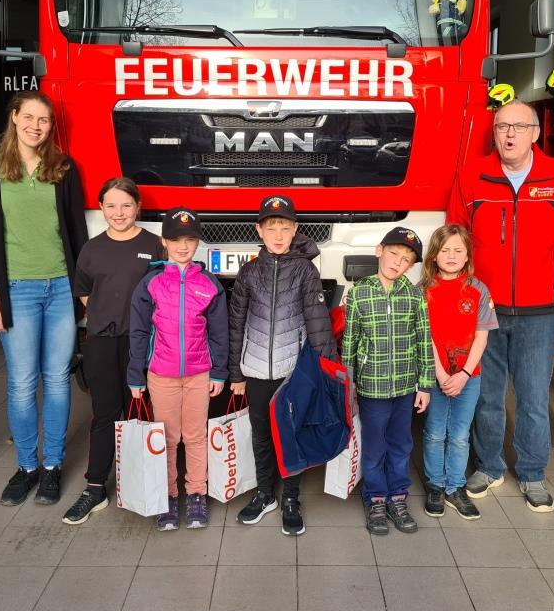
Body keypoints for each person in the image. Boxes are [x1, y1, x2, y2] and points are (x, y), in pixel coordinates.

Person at [448, 99, 554, 512]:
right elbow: (456, 234)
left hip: (539, 309)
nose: (509, 134)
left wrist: (546, 274)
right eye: (502, 126)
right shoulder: (472, 175)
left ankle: (533, 472)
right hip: (485, 309)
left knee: (533, 397)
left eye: (519, 126)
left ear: (535, 133)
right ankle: (489, 466)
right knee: (487, 395)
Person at [0, 90, 89, 508]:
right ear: (14, 117)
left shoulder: (64, 168)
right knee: (22, 383)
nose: (36, 126)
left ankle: (52, 466)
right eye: (29, 117)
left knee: (57, 379)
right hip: (15, 290)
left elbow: (77, 231)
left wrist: (83, 288)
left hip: (60, 287)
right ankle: (26, 467)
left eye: (44, 120)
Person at [229, 194, 336, 536]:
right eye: (271, 227)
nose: (278, 235)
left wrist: (328, 371)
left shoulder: (305, 270)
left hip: (293, 372)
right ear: (259, 230)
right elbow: (236, 325)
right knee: (261, 434)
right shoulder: (248, 272)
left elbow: (318, 321)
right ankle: (265, 494)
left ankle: (290, 498)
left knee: (291, 433)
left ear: (295, 230)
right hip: (256, 370)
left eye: (285, 228)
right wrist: (236, 372)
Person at [61, 177, 164, 525]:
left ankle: (142, 483)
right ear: (101, 208)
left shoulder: (154, 245)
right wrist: (107, 317)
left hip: (143, 343)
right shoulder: (92, 249)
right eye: (111, 206)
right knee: (105, 412)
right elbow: (85, 293)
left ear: (138, 207)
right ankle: (95, 488)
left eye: (126, 205)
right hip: (103, 342)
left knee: (142, 411)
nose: (119, 213)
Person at [126, 207, 229, 530]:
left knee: (196, 436)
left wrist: (219, 371)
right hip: (161, 374)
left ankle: (196, 493)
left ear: (197, 242)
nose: (183, 246)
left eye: (189, 240)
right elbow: (139, 331)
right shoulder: (151, 283)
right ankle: (168, 496)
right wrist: (135, 375)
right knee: (168, 438)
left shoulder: (209, 284)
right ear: (164, 242)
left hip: (199, 374)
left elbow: (219, 332)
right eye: (175, 240)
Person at [341, 227, 434, 535]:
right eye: (394, 254)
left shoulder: (414, 295)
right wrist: (349, 384)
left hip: (405, 387)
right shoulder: (359, 292)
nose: (398, 262)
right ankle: (376, 498)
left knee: (401, 444)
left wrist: (425, 385)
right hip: (372, 388)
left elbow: (424, 341)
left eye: (406, 259)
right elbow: (350, 343)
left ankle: (397, 497)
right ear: (379, 251)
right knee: (374, 445)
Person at [421, 223, 498, 521]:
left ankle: (455, 487)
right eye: (445, 250)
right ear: (434, 255)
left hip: (469, 376)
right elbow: (424, 336)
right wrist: (440, 374)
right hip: (434, 375)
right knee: (434, 432)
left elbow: (482, 336)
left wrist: (464, 373)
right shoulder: (423, 291)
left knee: (459, 435)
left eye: (458, 250)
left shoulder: (479, 290)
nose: (451, 256)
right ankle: (435, 485)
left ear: (467, 256)